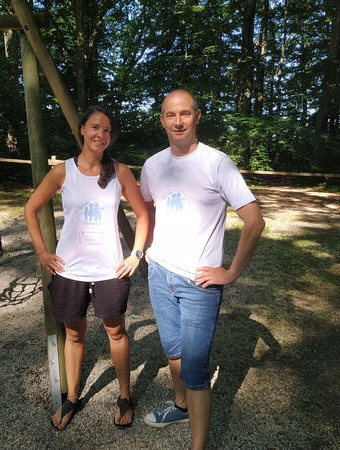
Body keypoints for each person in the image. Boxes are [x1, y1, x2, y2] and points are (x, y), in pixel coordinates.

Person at [140, 90, 265, 449]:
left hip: (199, 283)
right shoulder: (152, 165)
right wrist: (146, 250)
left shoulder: (217, 163)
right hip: (159, 273)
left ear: (197, 116)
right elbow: (146, 208)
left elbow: (255, 221)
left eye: (185, 114)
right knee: (173, 351)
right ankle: (180, 407)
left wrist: (230, 273)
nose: (178, 121)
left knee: (195, 371)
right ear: (162, 120)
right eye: (170, 115)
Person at [24, 105, 149, 430]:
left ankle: (124, 396)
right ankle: (72, 397)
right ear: (82, 129)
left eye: (107, 130)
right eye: (95, 127)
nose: (101, 135)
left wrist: (136, 254)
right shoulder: (63, 171)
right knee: (74, 335)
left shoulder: (120, 172)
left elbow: (143, 214)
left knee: (116, 332)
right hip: (70, 272)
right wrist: (42, 253)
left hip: (110, 271)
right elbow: (31, 208)